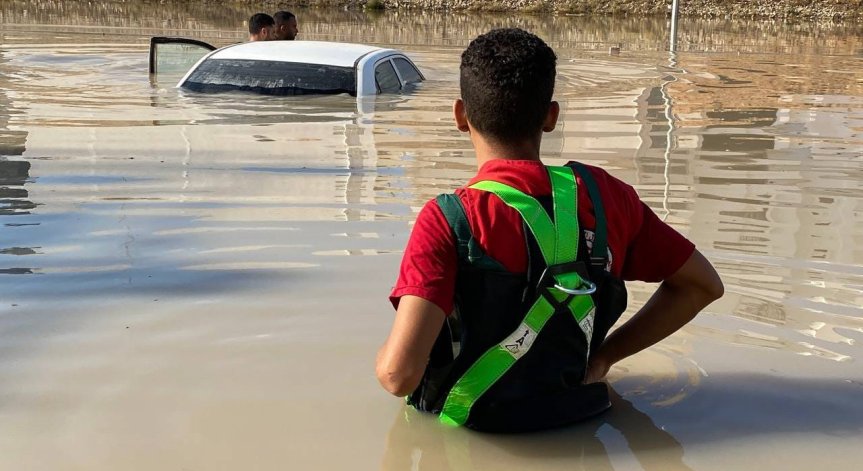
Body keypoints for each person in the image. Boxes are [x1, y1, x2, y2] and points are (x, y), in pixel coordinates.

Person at [375, 28, 723, 432]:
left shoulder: (449, 219)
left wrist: (384, 354)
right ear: (551, 116)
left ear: (459, 115)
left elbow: (398, 376)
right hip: (580, 418)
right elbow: (703, 285)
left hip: (474, 431)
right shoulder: (609, 197)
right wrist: (605, 358)